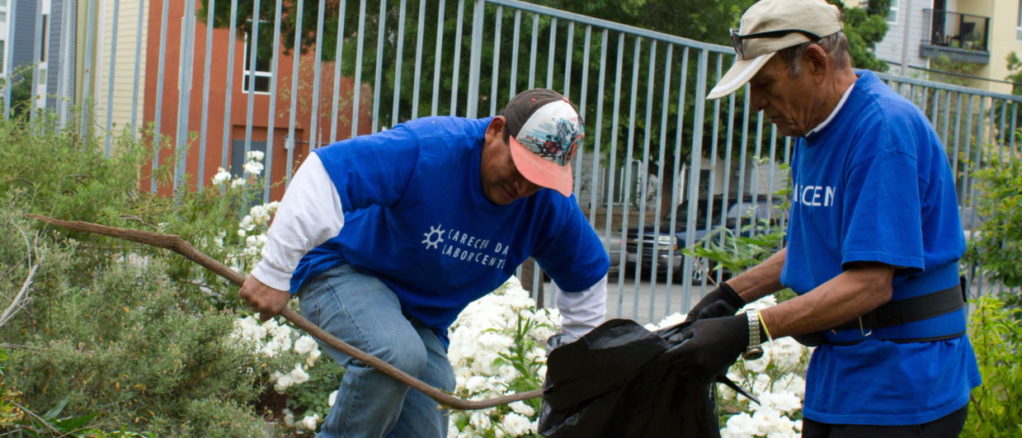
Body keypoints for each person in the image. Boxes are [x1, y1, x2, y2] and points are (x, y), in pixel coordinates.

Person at [668, 0, 981, 437]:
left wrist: (750, 330)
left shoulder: (882, 131)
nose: (757, 103)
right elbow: (820, 243)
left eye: (766, 84)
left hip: (904, 386)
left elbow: (870, 281)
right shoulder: (815, 131)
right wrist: (729, 296)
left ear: (815, 61)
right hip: (845, 376)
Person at [237, 88, 609, 438]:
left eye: (538, 179)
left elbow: (586, 277)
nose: (523, 187)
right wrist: (274, 270)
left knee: (430, 403)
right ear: (495, 131)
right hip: (344, 268)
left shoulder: (547, 206)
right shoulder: (433, 147)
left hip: (421, 318)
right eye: (519, 167)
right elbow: (327, 171)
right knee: (394, 355)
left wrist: (577, 367)